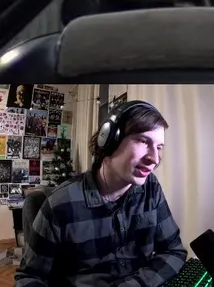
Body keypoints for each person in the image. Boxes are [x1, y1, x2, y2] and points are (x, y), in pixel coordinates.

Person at [17, 101, 187, 287]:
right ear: (108, 140)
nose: (154, 159)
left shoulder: (150, 187)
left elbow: (174, 251)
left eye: (159, 147)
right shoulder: (61, 204)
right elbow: (29, 278)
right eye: (143, 141)